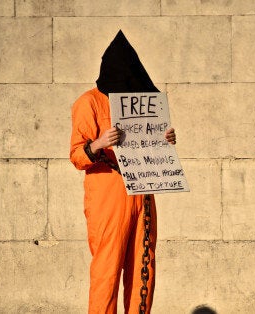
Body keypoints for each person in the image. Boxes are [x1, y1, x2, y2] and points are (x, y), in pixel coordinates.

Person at [70, 30, 175, 314]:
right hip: (108, 197)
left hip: (143, 191)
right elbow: (77, 155)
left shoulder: (138, 103)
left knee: (144, 267)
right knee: (108, 269)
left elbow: (148, 145)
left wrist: (163, 141)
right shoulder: (88, 102)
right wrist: (99, 143)